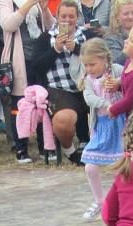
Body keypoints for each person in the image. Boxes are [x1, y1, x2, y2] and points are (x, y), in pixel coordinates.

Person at [0, 0, 56, 163]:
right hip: (19, 61)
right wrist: (29, 4)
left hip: (40, 59)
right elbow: (8, 24)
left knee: (43, 103)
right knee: (20, 105)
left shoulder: (37, 3)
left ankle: (46, 146)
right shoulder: (4, 2)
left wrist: (44, 10)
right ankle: (21, 148)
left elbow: (51, 27)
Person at [33, 0, 90, 165]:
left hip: (87, 86)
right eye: (63, 16)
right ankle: (71, 152)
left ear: (77, 17)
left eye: (71, 16)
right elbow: (36, 67)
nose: (67, 20)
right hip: (60, 88)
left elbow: (102, 58)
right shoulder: (45, 38)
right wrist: (56, 49)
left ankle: (97, 146)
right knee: (63, 120)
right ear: (57, 17)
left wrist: (78, 49)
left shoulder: (88, 35)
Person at [79, 38, 124, 221]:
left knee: (122, 164)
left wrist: (118, 83)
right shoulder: (88, 80)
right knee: (90, 166)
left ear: (105, 58)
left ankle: (122, 200)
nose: (89, 69)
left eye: (92, 64)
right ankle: (99, 200)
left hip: (120, 123)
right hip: (103, 124)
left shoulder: (118, 71)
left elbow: (129, 82)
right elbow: (89, 98)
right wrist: (106, 103)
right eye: (86, 65)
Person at [103, 0, 133, 66]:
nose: (131, 17)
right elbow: (115, 61)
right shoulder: (110, 37)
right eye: (126, 14)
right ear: (117, 17)